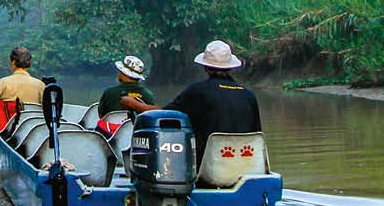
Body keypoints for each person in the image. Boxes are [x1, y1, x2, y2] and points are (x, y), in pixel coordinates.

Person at [126, 40, 260, 161]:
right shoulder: (249, 95)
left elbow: (165, 114)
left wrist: (134, 104)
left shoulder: (198, 91)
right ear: (230, 67)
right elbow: (257, 135)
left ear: (206, 67)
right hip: (245, 166)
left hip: (208, 167)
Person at [94, 55, 153, 136]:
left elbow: (102, 116)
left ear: (123, 73)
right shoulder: (148, 95)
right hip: (135, 135)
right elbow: (150, 118)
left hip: (110, 135)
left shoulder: (109, 92)